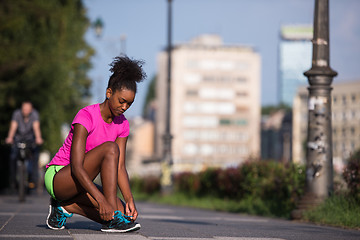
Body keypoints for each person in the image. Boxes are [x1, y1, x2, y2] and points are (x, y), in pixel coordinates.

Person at [44, 55, 146, 233]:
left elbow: (120, 166)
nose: (124, 107)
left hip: (81, 182)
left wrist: (129, 199)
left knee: (123, 214)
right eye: (121, 101)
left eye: (129, 104)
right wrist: (101, 199)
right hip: (60, 177)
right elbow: (76, 167)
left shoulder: (123, 124)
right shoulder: (86, 116)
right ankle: (108, 219)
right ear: (109, 93)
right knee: (110, 149)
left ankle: (66, 207)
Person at [5, 101, 44, 191]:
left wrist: (38, 138)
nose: (25, 111)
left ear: (31, 110)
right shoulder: (17, 114)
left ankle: (33, 180)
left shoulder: (34, 114)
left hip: (30, 139)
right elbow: (13, 126)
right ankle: (13, 180)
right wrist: (10, 137)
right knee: (13, 156)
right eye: (23, 109)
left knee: (35, 156)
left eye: (27, 109)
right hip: (18, 138)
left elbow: (36, 127)